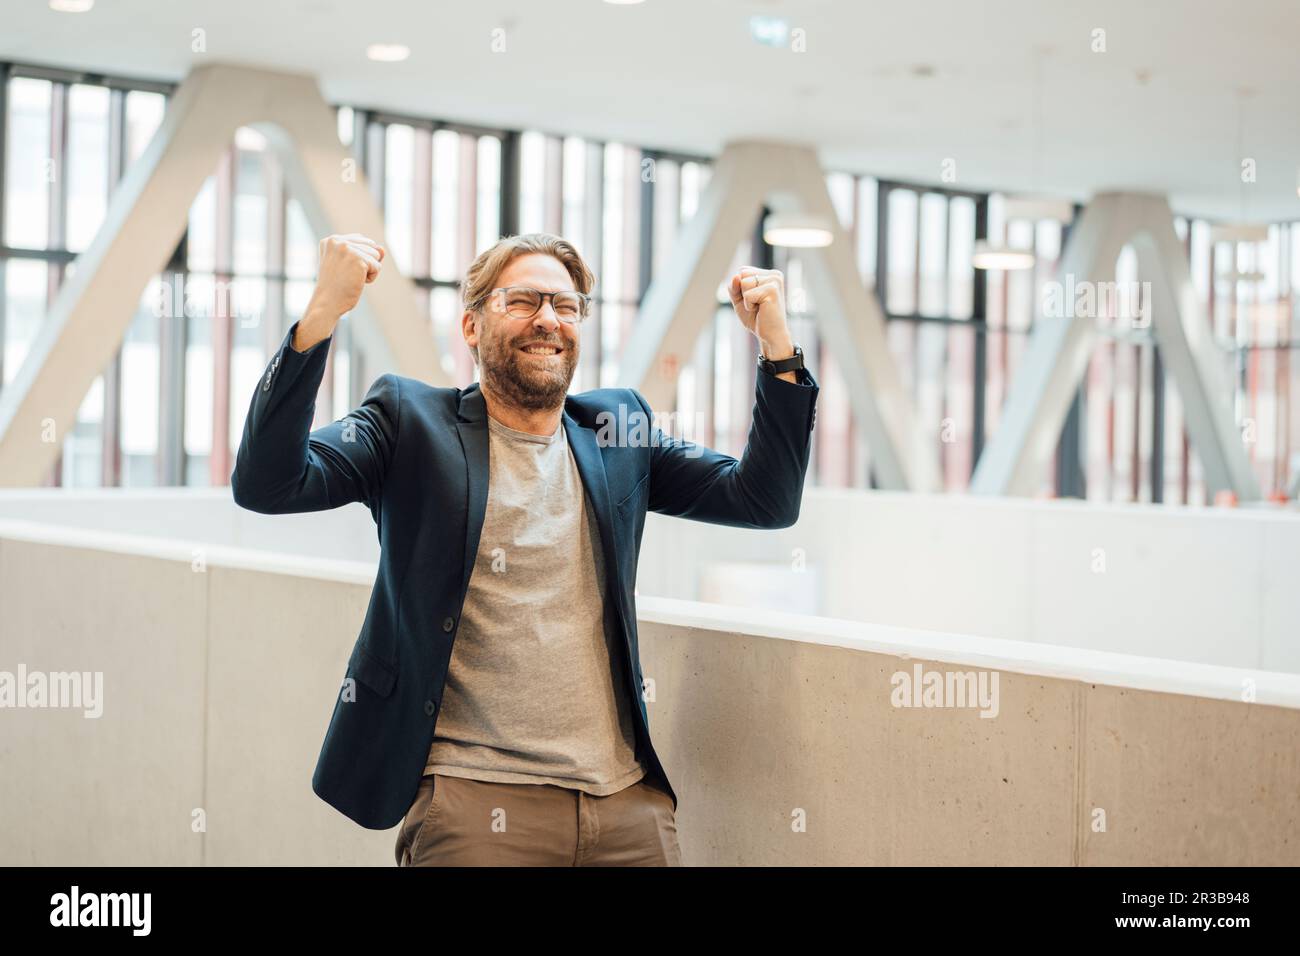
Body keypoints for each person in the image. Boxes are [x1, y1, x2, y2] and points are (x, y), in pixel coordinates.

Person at [231, 231, 819, 865]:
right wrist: (322, 314)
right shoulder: (409, 422)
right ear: (473, 325)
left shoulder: (619, 431)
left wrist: (777, 350)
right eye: (523, 301)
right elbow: (268, 482)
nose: (548, 319)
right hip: (476, 806)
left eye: (566, 306)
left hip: (625, 809)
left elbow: (764, 501)